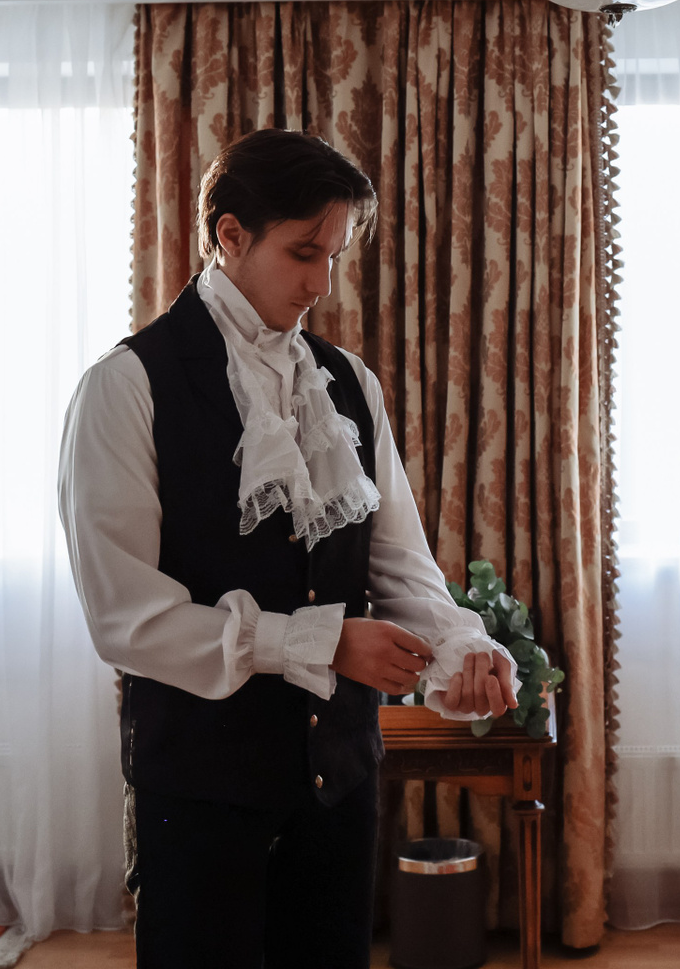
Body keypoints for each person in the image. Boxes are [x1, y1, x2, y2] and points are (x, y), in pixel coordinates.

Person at [57, 129, 518, 968]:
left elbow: (398, 564)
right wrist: (322, 643)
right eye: (304, 253)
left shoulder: (350, 384)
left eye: (333, 256)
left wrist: (462, 646)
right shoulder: (123, 389)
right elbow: (128, 620)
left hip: (337, 784)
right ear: (230, 235)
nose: (322, 284)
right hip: (198, 794)